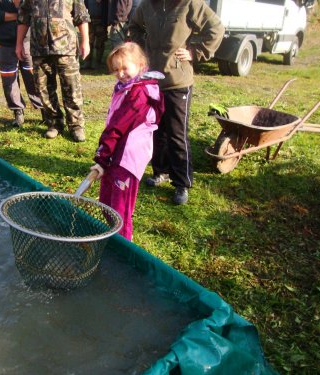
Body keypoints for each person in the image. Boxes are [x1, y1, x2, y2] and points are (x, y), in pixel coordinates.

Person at [129, 0, 224, 204]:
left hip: (177, 82)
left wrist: (194, 52)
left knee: (176, 133)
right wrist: (142, 47)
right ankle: (160, 171)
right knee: (156, 129)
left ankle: (181, 183)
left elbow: (216, 28)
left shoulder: (190, 4)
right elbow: (133, 26)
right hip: (152, 79)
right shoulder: (147, 5)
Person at [89, 42, 164, 240]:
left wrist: (102, 157)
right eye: (116, 69)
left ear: (140, 65)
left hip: (128, 158)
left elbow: (118, 126)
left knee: (120, 210)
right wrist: (105, 159)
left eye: (124, 68)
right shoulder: (126, 87)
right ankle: (111, 235)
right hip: (116, 153)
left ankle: (123, 245)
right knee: (106, 200)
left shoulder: (138, 93)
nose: (120, 73)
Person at [15, 0, 90, 142]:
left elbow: (82, 16)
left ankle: (76, 126)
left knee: (72, 88)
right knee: (43, 89)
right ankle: (54, 123)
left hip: (66, 47)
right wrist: (19, 44)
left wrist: (85, 41)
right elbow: (23, 19)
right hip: (40, 48)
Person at [0, 0, 44, 128]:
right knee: (9, 79)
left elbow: (34, 11)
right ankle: (18, 111)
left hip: (27, 42)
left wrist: (14, 13)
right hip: (4, 43)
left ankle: (44, 110)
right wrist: (21, 15)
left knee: (33, 77)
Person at [82, 0, 108, 70]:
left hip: (101, 21)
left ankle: (98, 63)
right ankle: (87, 62)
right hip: (89, 21)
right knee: (89, 42)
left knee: (100, 43)